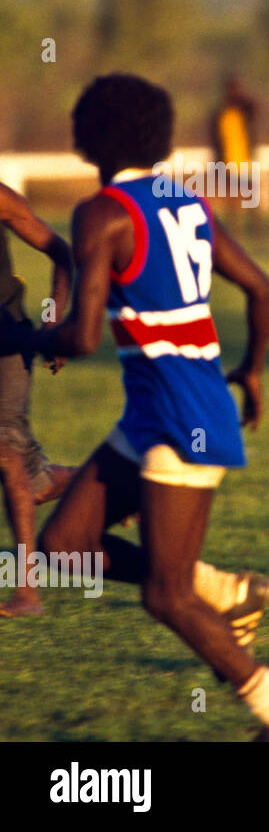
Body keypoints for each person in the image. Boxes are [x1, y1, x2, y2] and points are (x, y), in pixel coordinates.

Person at [6, 73, 269, 739]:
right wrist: (252, 370)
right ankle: (228, 591)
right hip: (159, 411)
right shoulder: (187, 202)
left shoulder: (101, 212)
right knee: (64, 545)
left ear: (91, 136)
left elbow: (83, 337)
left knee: (165, 595)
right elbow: (262, 290)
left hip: (182, 417)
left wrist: (22, 336)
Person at [0, 181, 76, 617]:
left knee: (6, 453)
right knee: (35, 484)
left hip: (7, 344)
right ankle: (111, 484)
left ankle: (26, 591)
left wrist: (53, 320)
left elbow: (62, 254)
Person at [210, 74, 265, 245]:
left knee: (253, 202)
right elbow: (215, 141)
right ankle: (235, 237)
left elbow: (255, 111)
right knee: (232, 204)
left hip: (245, 162)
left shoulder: (244, 110)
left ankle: (259, 238)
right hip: (228, 163)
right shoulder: (221, 113)